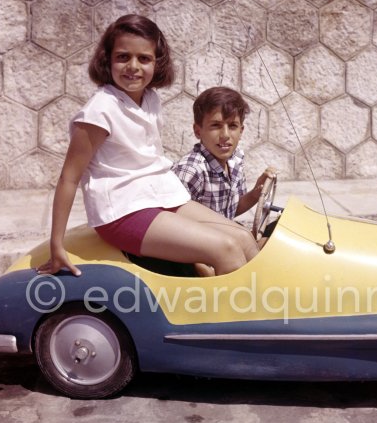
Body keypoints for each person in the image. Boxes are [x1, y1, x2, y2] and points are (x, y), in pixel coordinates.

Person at [37, 15, 258, 278]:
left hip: (159, 195)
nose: (133, 66)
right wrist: (56, 244)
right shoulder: (100, 111)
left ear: (157, 62)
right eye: (122, 57)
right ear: (107, 60)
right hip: (123, 210)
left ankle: (265, 309)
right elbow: (69, 178)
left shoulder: (150, 99)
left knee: (243, 238)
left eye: (144, 58)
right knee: (227, 249)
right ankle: (232, 317)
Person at [174, 87, 275, 220]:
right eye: (216, 125)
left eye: (232, 126)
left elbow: (230, 211)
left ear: (241, 131)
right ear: (198, 131)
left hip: (224, 235)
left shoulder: (235, 161)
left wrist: (255, 194)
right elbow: (173, 224)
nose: (225, 135)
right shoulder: (191, 171)